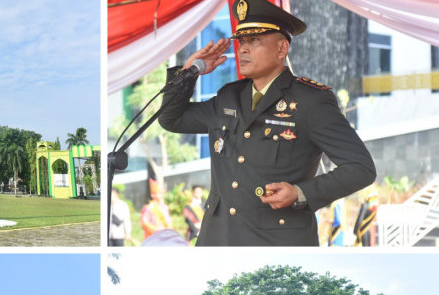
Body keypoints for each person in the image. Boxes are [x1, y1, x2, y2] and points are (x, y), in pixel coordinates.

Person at [158, 0, 376, 246]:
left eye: (254, 41)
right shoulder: (228, 96)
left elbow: (361, 168)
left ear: (282, 48)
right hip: (218, 240)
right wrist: (189, 73)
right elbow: (171, 119)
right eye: (241, 41)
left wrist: (300, 193)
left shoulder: (311, 101)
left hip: (275, 244)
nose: (243, 49)